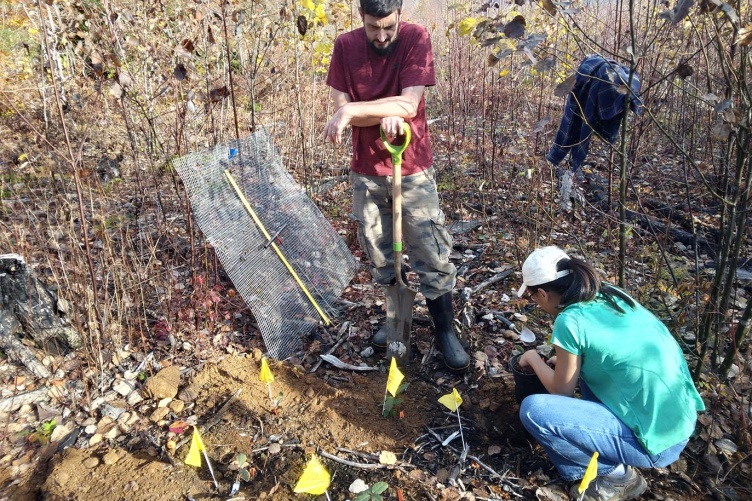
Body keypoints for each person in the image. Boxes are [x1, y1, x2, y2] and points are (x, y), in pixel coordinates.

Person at [322, 0, 468, 372]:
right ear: (361, 17)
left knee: (430, 251)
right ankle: (396, 320)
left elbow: (408, 103)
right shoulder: (345, 46)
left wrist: (354, 110)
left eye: (389, 25)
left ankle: (445, 330)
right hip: (367, 171)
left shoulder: (415, 37)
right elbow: (342, 104)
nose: (382, 35)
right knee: (380, 252)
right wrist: (359, 111)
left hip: (412, 167)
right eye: (374, 27)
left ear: (399, 14)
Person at [515, 246, 705, 501]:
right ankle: (604, 462)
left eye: (533, 298)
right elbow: (615, 353)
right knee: (583, 373)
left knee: (533, 410)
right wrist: (562, 360)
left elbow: (561, 391)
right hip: (679, 420)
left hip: (657, 445)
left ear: (542, 293)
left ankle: (616, 476)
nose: (536, 303)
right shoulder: (610, 295)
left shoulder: (569, 320)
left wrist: (533, 359)